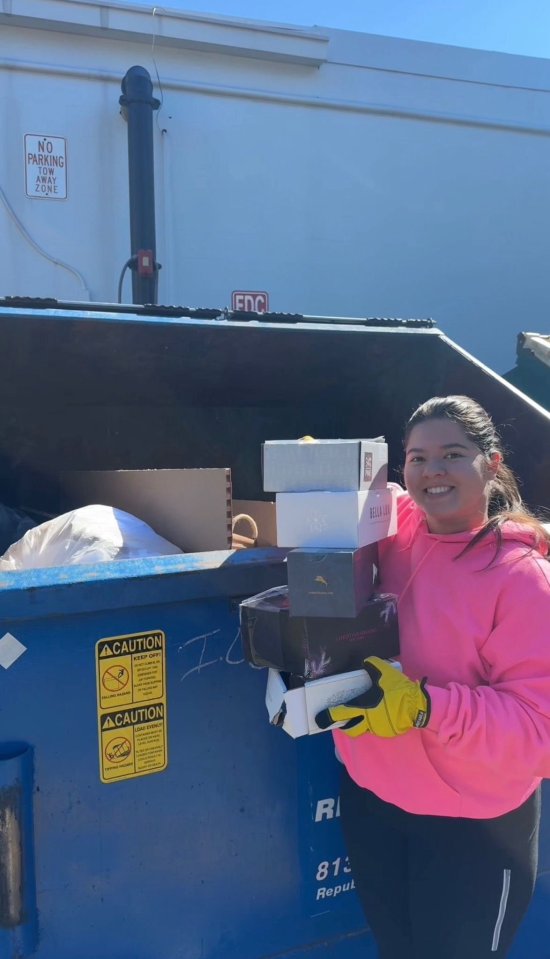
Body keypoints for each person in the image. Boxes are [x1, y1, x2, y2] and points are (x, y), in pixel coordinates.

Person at [317, 395, 550, 959]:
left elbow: (538, 730)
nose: (432, 471)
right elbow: (371, 495)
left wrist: (427, 707)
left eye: (452, 454)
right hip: (374, 800)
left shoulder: (523, 579)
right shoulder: (397, 529)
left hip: (474, 829)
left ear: (492, 463)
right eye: (417, 458)